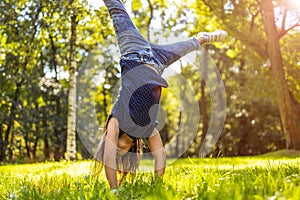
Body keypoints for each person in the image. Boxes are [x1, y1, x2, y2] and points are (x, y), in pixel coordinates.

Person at [92, 0, 228, 192]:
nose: (117, 151)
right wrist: (158, 186)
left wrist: (113, 189)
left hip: (133, 52)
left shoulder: (116, 121)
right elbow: (160, 156)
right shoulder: (147, 129)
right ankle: (203, 38)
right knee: (189, 46)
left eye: (114, 149)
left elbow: (107, 159)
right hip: (157, 61)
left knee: (115, 9)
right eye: (120, 154)